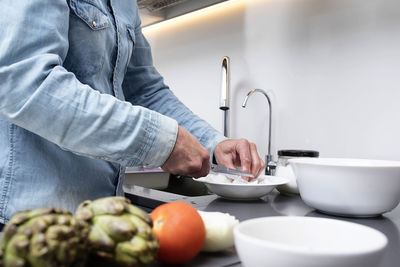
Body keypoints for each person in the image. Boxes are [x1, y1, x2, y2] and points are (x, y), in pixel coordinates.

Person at [0, 0, 265, 226]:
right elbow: (24, 82)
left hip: (102, 220)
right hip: (27, 223)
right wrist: (160, 141)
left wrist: (213, 142)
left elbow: (145, 90)